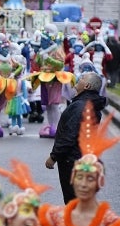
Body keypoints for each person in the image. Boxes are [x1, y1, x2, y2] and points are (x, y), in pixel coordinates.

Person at [45, 71, 106, 203]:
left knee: (73, 200)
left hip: (71, 161)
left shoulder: (80, 106)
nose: (77, 80)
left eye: (81, 79)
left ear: (87, 86)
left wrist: (54, 156)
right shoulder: (90, 104)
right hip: (82, 158)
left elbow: (69, 135)